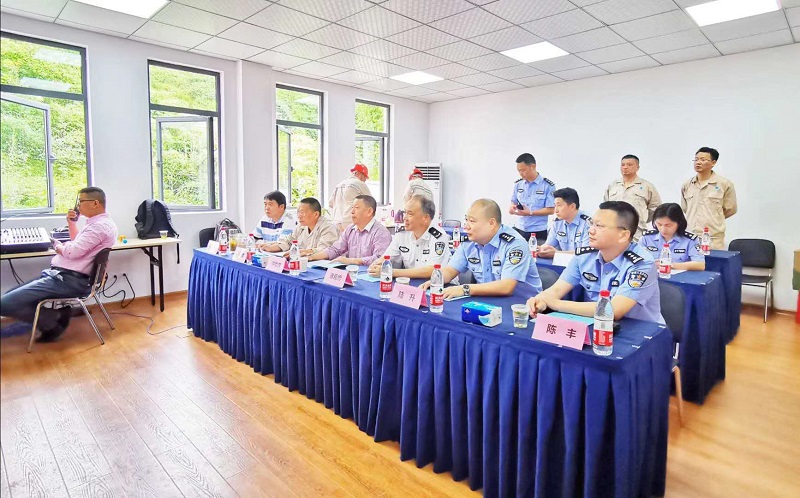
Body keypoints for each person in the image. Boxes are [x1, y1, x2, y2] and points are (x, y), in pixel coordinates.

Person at [0, 187, 118, 342]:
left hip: (69, 280)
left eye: (81, 201)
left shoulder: (99, 227)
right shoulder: (98, 224)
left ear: (95, 203)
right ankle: (53, 317)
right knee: (10, 297)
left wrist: (57, 246)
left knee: (4, 304)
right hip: (63, 277)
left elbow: (72, 252)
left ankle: (52, 319)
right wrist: (71, 223)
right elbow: (78, 243)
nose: (78, 206)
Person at [526, 201, 664, 325]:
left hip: (640, 332)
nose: (590, 230)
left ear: (623, 235)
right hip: (597, 325)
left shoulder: (642, 264)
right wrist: (540, 301)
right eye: (591, 224)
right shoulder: (584, 256)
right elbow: (556, 290)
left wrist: (555, 304)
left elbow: (613, 310)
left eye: (599, 226)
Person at [420, 199, 542, 298]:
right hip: (488, 301)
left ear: (491, 223)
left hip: (523, 307)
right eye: (466, 220)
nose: (466, 226)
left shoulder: (515, 244)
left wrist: (465, 289)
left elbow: (506, 287)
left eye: (472, 221)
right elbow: (450, 271)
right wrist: (436, 280)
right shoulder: (469, 243)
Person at [368, 195, 451, 280]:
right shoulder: (402, 234)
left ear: (425, 218)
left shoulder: (438, 237)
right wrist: (376, 265)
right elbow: (386, 258)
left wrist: (390, 272)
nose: (404, 218)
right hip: (411, 283)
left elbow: (432, 270)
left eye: (410, 214)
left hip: (439, 284)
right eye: (405, 213)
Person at [680, 147, 737, 250]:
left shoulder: (724, 184)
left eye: (703, 160)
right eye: (696, 159)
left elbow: (730, 209)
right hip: (690, 237)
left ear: (713, 163)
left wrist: (714, 217)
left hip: (713, 239)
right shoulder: (687, 184)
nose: (698, 162)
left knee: (713, 261)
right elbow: (685, 208)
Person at [309, 195, 390, 266]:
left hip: (371, 273)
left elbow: (380, 259)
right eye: (352, 208)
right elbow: (335, 250)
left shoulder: (381, 232)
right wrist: (311, 257)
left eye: (356, 208)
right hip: (352, 272)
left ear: (369, 211)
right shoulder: (350, 229)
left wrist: (351, 261)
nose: (352, 212)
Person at [603, 154, 662, 240]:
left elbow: (655, 208)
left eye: (629, 165)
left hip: (637, 233)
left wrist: (641, 219)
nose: (625, 167)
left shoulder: (647, 186)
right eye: (623, 165)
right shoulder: (613, 186)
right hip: (614, 232)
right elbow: (605, 208)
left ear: (637, 167)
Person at [259, 197, 338, 257]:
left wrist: (305, 252)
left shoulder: (328, 227)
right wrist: (273, 247)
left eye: (302, 212)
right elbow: (289, 241)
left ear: (316, 214)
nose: (299, 216)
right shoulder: (301, 226)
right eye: (298, 212)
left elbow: (325, 251)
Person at [640, 203, 705, 271]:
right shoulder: (647, 238)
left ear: (679, 223)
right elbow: (636, 259)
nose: (663, 229)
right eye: (659, 224)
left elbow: (700, 265)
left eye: (668, 225)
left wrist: (670, 265)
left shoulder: (690, 240)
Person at [509, 153, 555, 243]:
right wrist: (512, 208)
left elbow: (551, 210)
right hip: (519, 228)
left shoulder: (548, 185)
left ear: (533, 166)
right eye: (519, 171)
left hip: (538, 231)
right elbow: (513, 202)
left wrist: (530, 213)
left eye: (523, 170)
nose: (521, 174)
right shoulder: (518, 184)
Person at [538, 187, 592, 259]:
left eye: (559, 205)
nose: (556, 210)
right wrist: (540, 249)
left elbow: (585, 253)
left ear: (572, 206)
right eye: (555, 205)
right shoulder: (557, 222)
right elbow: (549, 245)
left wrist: (557, 254)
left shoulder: (588, 223)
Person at [328, 163, 371, 231]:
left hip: (337, 221)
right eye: (365, 176)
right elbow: (371, 203)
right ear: (358, 173)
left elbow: (330, 203)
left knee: (341, 238)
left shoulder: (339, 184)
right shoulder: (360, 184)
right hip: (351, 221)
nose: (365, 179)